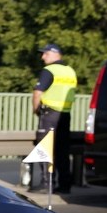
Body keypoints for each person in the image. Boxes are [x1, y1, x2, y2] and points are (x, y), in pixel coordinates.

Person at [30, 43, 77, 193]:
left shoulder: (49, 70)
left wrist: (36, 109)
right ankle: (65, 185)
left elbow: (38, 92)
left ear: (55, 54)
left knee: (45, 147)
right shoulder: (70, 71)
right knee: (62, 149)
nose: (43, 57)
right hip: (65, 114)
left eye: (45, 54)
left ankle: (46, 184)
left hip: (50, 114)